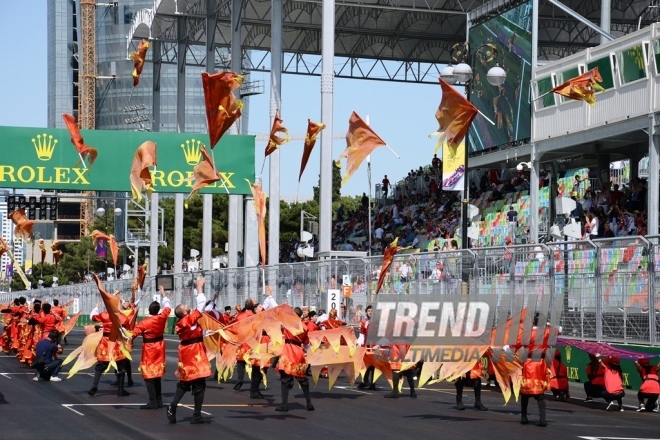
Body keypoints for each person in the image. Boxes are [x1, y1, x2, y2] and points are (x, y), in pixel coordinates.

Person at [167, 287, 212, 424]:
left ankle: (173, 406)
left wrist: (207, 333)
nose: (188, 306)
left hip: (189, 353)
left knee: (185, 382)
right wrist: (199, 289)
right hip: (194, 354)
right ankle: (196, 415)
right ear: (185, 312)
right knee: (199, 383)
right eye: (186, 306)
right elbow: (200, 307)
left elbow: (195, 332)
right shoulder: (186, 320)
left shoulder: (185, 323)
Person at [131, 286, 171, 409]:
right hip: (160, 346)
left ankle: (153, 400)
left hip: (149, 348)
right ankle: (159, 400)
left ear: (149, 310)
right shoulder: (162, 317)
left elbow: (132, 334)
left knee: (148, 374)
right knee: (157, 374)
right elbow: (168, 306)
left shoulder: (144, 322)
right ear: (158, 310)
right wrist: (163, 294)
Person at [88, 300, 131, 397]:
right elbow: (127, 330)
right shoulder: (123, 317)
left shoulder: (104, 315)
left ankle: (95, 385)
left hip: (105, 342)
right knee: (121, 366)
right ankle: (120, 389)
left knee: (100, 366)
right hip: (117, 343)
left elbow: (92, 317)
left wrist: (96, 307)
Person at [276, 307, 314, 412]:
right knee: (302, 378)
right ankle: (309, 403)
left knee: (285, 379)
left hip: (288, 351)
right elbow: (306, 344)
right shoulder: (304, 327)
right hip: (298, 352)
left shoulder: (287, 324)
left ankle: (284, 405)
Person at [357, 305, 376, 390]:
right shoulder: (364, 321)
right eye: (368, 311)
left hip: (375, 345)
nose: (370, 312)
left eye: (372, 311)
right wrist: (359, 344)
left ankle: (373, 383)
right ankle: (365, 381)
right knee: (365, 364)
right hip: (366, 345)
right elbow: (362, 334)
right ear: (366, 312)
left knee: (374, 365)